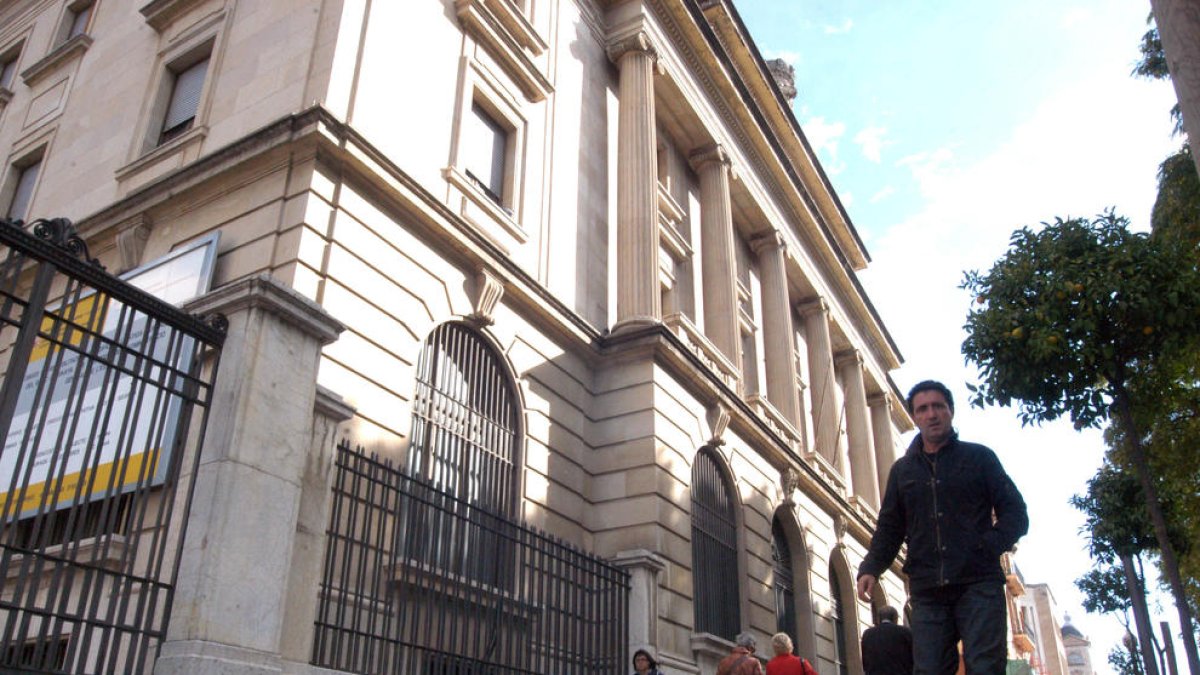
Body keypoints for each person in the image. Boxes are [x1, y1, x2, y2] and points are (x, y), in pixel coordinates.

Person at [856, 380, 1028, 675]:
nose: (931, 414)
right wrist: (871, 567)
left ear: (951, 412)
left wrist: (985, 547)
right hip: (927, 590)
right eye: (923, 409)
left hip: (979, 584)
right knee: (930, 669)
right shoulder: (903, 471)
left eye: (938, 406)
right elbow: (890, 527)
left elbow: (1016, 514)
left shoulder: (979, 458)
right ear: (915, 417)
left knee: (985, 667)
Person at [861, 606, 913, 675]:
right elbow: (913, 658)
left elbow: (865, 661)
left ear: (878, 618)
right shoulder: (905, 632)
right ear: (895, 618)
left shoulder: (867, 634)